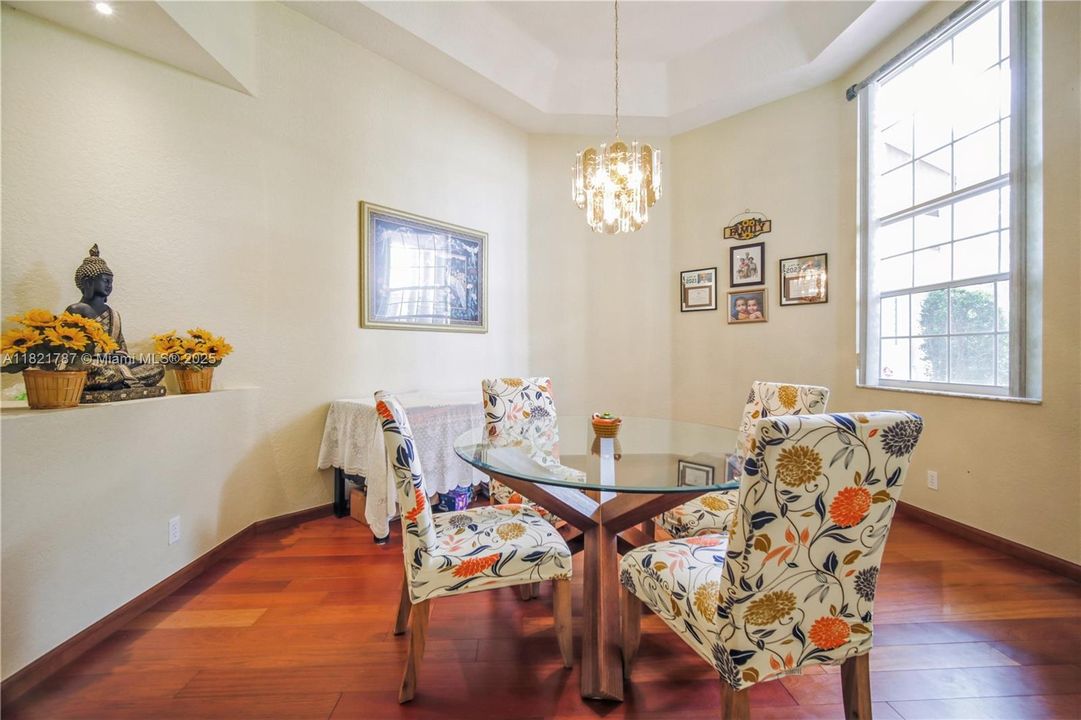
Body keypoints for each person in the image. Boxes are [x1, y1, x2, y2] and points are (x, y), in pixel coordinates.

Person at [66, 245, 165, 390]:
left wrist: (120, 356)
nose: (109, 285)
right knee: (106, 372)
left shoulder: (114, 315)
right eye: (105, 281)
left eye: (111, 282)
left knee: (156, 367)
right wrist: (100, 358)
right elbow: (70, 351)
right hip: (90, 365)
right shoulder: (75, 310)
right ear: (89, 282)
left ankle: (119, 381)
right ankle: (117, 380)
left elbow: (121, 347)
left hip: (114, 364)